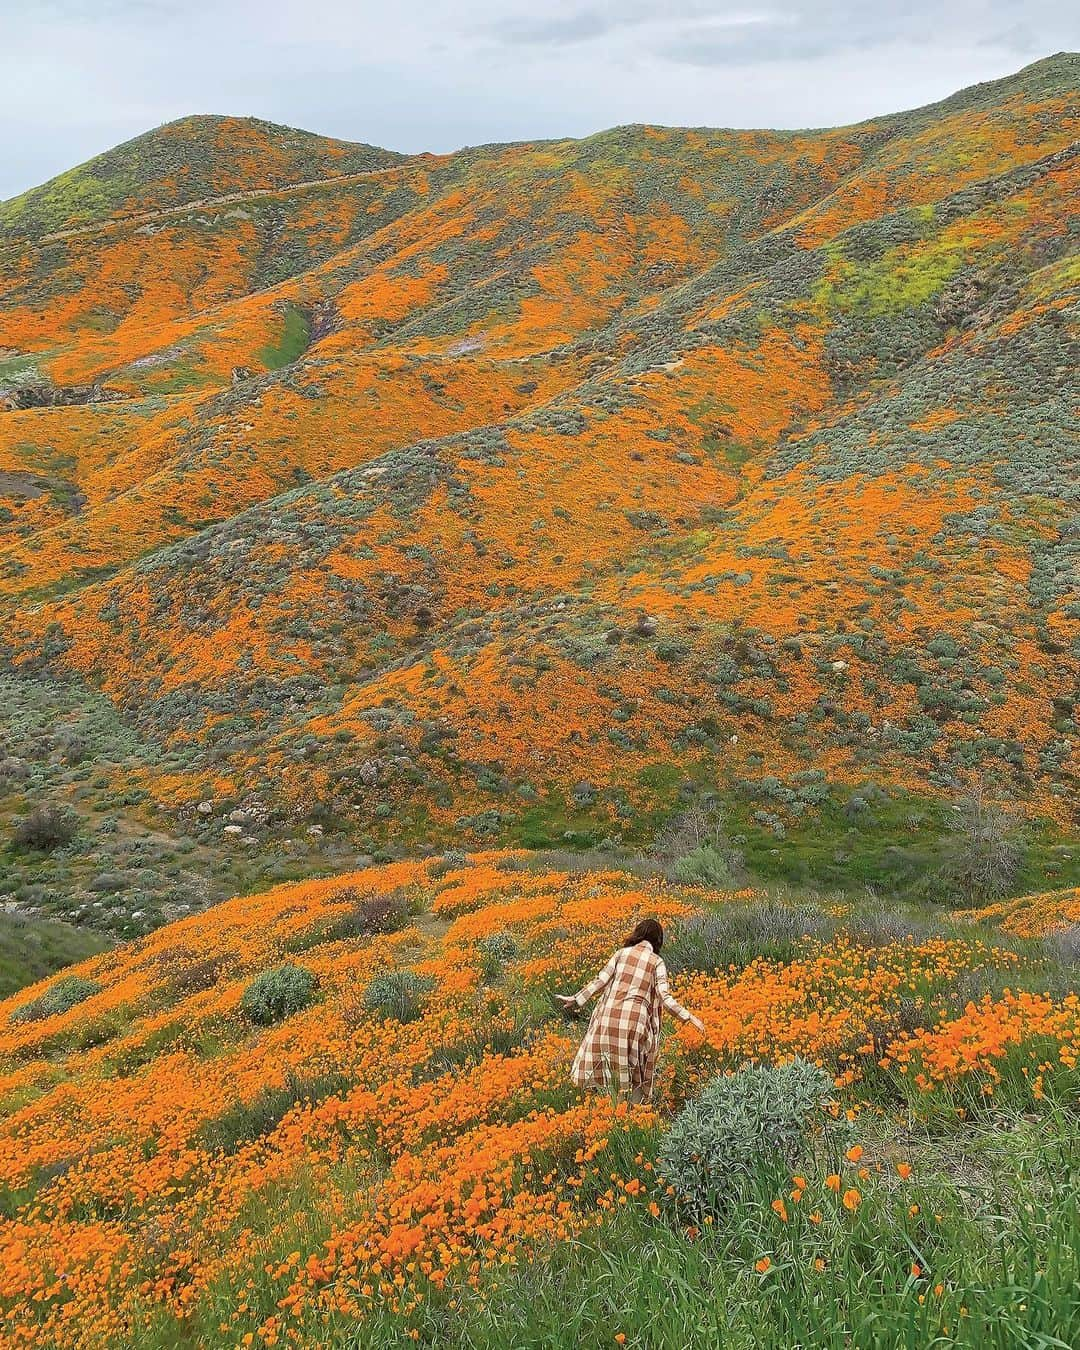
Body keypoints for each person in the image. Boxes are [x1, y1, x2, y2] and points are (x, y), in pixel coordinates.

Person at [557, 918, 705, 1104]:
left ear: (638, 934)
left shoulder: (621, 954)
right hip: (634, 1023)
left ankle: (606, 1111)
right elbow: (664, 997)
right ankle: (632, 1116)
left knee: (604, 1066)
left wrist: (576, 999)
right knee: (636, 1073)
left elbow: (600, 981)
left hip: (607, 1018)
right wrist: (689, 1018)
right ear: (658, 941)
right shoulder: (657, 962)